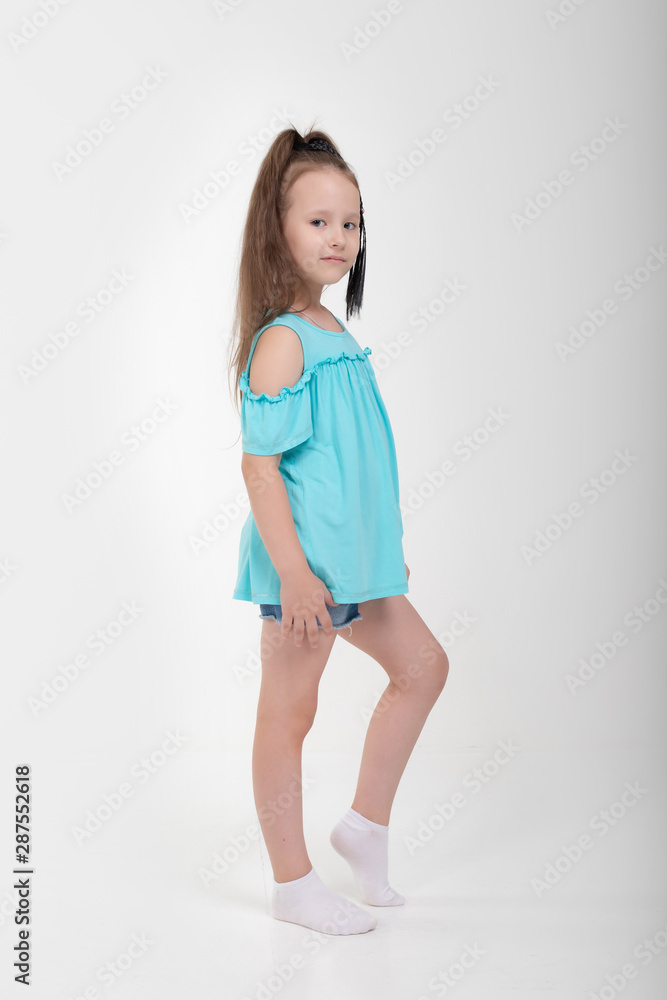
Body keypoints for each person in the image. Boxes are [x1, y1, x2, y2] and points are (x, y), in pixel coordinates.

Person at [228, 123, 449, 936]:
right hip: (305, 572)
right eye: (317, 220)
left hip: (352, 564)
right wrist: (293, 573)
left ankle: (364, 827)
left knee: (422, 667)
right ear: (276, 230)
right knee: (288, 716)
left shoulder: (331, 331)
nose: (338, 238)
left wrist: (377, 551)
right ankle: (292, 884)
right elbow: (261, 471)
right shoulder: (283, 343)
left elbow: (352, 461)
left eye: (350, 222)